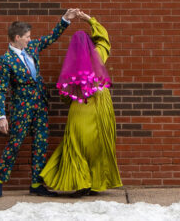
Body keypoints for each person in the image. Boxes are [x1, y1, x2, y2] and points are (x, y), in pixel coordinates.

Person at [0, 8, 79, 198]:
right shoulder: (5, 60)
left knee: (41, 143)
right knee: (14, 144)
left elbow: (51, 37)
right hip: (21, 109)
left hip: (40, 106)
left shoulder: (31, 48)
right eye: (27, 37)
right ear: (17, 37)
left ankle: (36, 183)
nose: (30, 39)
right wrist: (1, 116)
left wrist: (65, 19)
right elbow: (1, 89)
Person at [39, 10, 122, 195]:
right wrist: (89, 20)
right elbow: (105, 39)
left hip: (80, 107)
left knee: (76, 145)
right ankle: (96, 183)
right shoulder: (99, 55)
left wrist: (72, 101)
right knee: (99, 144)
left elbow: (65, 95)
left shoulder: (72, 65)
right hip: (101, 104)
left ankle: (81, 183)